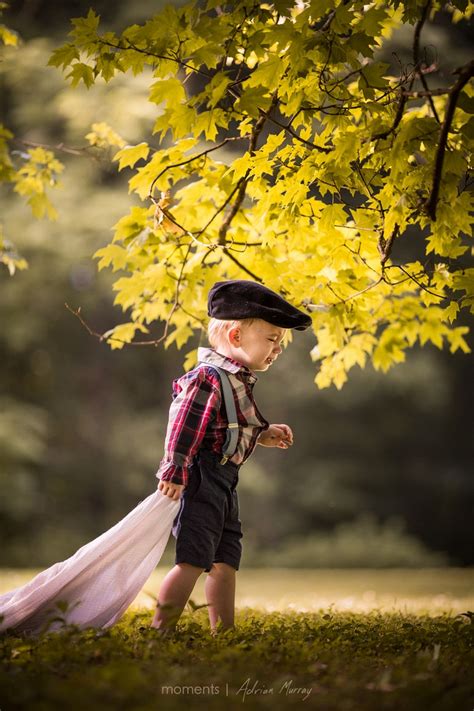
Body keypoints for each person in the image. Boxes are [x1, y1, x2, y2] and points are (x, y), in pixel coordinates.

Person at [151, 278, 312, 635]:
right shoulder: (208, 377)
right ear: (236, 337)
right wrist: (174, 468)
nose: (278, 349)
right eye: (272, 339)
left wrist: (263, 434)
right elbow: (183, 425)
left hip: (225, 481)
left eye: (280, 342)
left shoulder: (236, 378)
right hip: (202, 478)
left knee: (226, 561)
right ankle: (159, 632)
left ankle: (224, 632)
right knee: (193, 559)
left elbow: (229, 426)